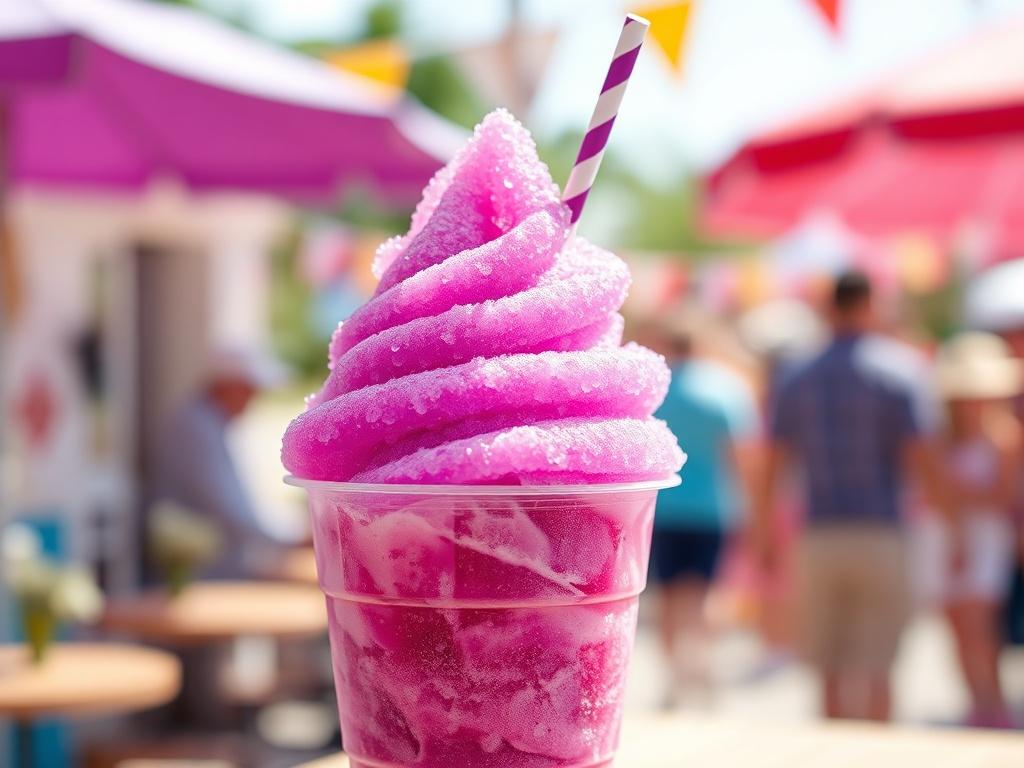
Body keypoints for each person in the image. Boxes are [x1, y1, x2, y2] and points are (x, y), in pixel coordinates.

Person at [754, 270, 944, 722]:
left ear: (830, 307)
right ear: (870, 305)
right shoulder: (901, 370)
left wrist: (764, 534)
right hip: (882, 532)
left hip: (818, 534)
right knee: (879, 667)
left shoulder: (796, 374)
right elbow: (922, 458)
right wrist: (949, 521)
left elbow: (773, 465)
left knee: (828, 669)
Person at [650, 318, 758, 709]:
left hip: (664, 508)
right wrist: (751, 508)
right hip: (713, 508)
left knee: (667, 595)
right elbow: (742, 455)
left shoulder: (658, 391)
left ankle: (675, 674)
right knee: (705, 593)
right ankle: (700, 664)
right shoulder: (726, 389)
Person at [922, 333, 1022, 728]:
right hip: (945, 538)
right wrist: (957, 511)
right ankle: (976, 703)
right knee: (957, 626)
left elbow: (1001, 496)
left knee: (980, 625)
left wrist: (958, 497)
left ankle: (994, 703)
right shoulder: (940, 438)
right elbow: (934, 493)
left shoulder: (1006, 436)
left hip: (986, 542)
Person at [153, 347, 286, 576]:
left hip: (209, 569)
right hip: (200, 575)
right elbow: (229, 509)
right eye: (249, 389)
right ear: (227, 386)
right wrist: (288, 540)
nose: (253, 398)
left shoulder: (206, 422)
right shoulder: (196, 428)